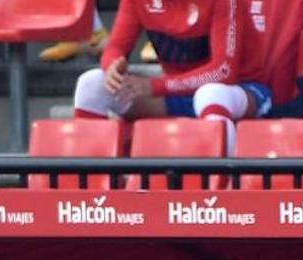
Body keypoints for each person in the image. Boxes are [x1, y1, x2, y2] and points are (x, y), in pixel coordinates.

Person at [71, 0, 271, 153]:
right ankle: (89, 186)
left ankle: (223, 188)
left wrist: (155, 87)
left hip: (241, 91)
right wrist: (112, 64)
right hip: (175, 94)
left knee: (210, 94)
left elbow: (224, 71)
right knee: (91, 84)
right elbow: (115, 47)